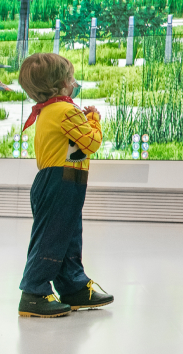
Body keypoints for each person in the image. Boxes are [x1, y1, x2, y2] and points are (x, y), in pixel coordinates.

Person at [17, 53, 114, 318]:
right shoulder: (64, 110)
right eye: (70, 78)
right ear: (59, 83)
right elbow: (90, 143)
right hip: (60, 181)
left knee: (68, 237)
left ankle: (74, 286)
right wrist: (93, 119)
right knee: (52, 239)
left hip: (65, 181)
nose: (74, 82)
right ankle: (34, 293)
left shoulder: (51, 111)